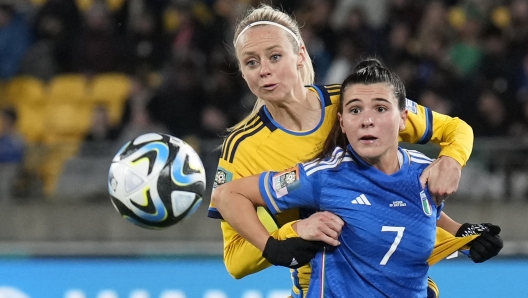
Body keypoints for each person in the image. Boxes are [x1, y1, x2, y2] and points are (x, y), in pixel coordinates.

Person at [207, 5, 503, 298]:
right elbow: (235, 259)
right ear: (242, 73)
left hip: (400, 279)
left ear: (299, 55)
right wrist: (292, 231)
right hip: (324, 286)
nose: (265, 71)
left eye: (274, 56)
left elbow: (450, 134)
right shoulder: (244, 147)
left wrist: (452, 161)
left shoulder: (356, 102)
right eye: (251, 62)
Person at [212, 58, 462, 297]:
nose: (367, 120)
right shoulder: (320, 176)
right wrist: (277, 244)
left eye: (381, 108)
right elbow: (227, 194)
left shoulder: (423, 174)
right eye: (355, 110)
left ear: (404, 119)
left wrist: (465, 235)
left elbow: (419, 217)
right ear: (341, 122)